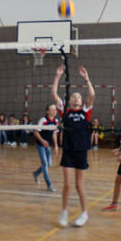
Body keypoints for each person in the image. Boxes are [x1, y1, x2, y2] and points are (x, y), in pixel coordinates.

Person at [52, 65, 95, 227]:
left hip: (81, 151)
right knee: (67, 185)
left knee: (79, 185)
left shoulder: (86, 112)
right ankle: (64, 212)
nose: (76, 98)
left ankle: (84, 213)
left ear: (82, 102)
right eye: (73, 96)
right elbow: (54, 94)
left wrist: (87, 79)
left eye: (78, 96)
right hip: (68, 151)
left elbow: (92, 95)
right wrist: (58, 76)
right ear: (69, 101)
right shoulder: (65, 112)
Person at [32, 104, 59, 192]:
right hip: (40, 144)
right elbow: (36, 132)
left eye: (55, 109)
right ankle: (49, 185)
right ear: (47, 111)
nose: (54, 111)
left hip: (47, 145)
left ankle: (36, 173)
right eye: (52, 109)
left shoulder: (56, 121)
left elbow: (54, 133)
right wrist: (42, 141)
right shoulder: (43, 120)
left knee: (48, 164)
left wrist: (56, 145)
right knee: (45, 163)